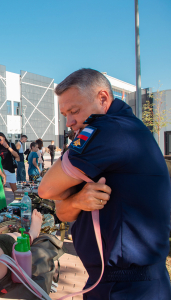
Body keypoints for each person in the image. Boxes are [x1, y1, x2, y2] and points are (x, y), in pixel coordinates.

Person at [39, 68, 171, 299]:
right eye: (65, 114)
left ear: (102, 98)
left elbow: (46, 188)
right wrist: (78, 200)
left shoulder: (110, 130)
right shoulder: (117, 130)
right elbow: (63, 211)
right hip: (110, 280)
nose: (70, 122)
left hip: (131, 285)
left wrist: (69, 197)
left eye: (75, 111)